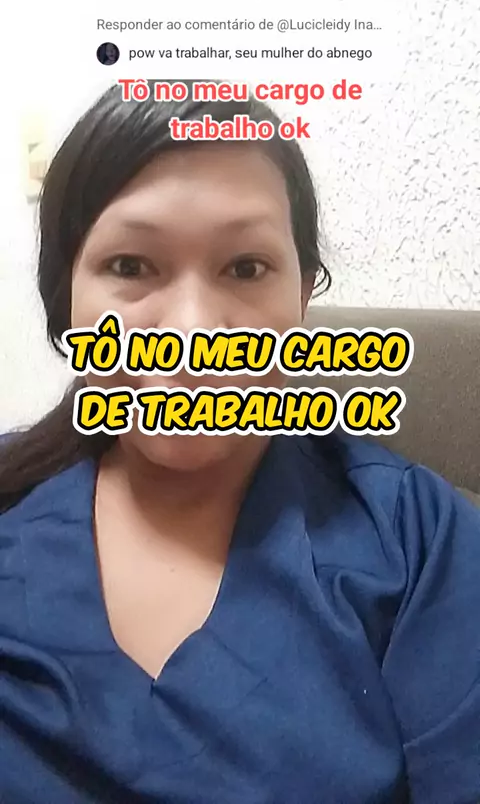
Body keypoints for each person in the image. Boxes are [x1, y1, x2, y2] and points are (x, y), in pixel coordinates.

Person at [0, 80, 479, 804]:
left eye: (245, 268)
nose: (194, 332)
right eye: (131, 266)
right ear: (66, 297)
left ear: (302, 297)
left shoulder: (418, 538)